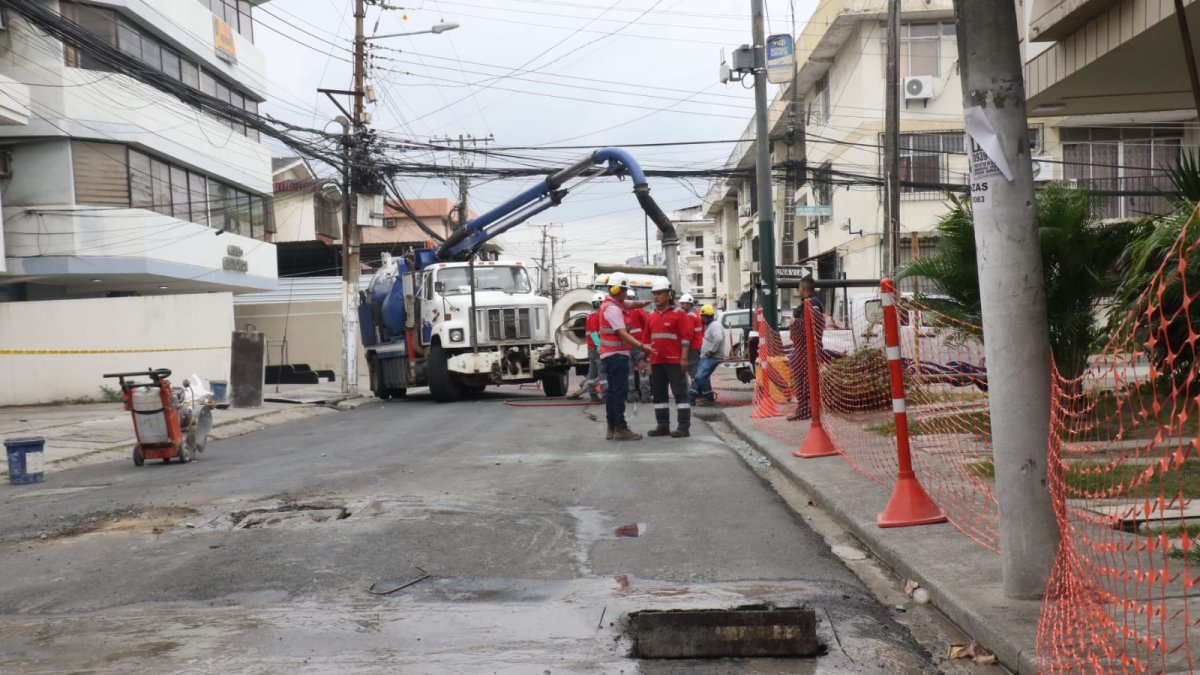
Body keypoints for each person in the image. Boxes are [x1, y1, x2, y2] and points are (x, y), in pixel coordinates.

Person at [598, 273, 655, 441]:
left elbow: (631, 304)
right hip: (616, 356)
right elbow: (622, 333)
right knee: (619, 392)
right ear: (619, 290)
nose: (626, 294)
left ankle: (612, 427)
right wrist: (642, 345)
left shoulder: (612, 303)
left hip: (611, 355)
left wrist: (642, 303)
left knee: (613, 392)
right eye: (625, 290)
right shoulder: (613, 310)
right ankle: (620, 428)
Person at [643, 280, 691, 438]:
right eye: (654, 294)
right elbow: (646, 342)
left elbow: (685, 338)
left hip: (675, 361)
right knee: (659, 395)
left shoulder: (679, 314)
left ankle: (683, 427)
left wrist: (684, 358)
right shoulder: (651, 316)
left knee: (680, 394)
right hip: (657, 363)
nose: (656, 297)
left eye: (659, 293)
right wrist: (648, 361)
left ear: (669, 295)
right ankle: (662, 426)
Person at [788, 277, 825, 421]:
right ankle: (809, 409)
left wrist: (794, 323)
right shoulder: (817, 303)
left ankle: (804, 411)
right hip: (811, 349)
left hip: (806, 351)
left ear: (802, 288)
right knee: (808, 381)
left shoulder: (809, 304)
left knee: (804, 381)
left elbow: (810, 325)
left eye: (799, 287)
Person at [567, 292, 606, 401]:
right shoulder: (595, 316)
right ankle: (606, 395)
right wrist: (599, 345)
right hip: (595, 349)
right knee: (602, 373)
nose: (604, 305)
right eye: (602, 303)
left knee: (592, 373)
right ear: (598, 304)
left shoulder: (591, 316)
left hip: (591, 349)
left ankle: (593, 395)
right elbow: (594, 333)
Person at [688, 304, 724, 406]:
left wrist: (711, 351)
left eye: (702, 316)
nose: (701, 318)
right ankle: (691, 397)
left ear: (706, 316)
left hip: (712, 357)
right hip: (706, 357)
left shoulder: (714, 326)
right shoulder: (710, 326)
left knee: (700, 377)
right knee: (698, 377)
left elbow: (719, 338)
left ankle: (709, 398)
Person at [624, 290, 652, 403]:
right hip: (639, 345)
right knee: (643, 372)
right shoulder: (639, 311)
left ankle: (631, 396)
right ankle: (645, 396)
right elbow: (648, 325)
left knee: (629, 373)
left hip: (626, 346)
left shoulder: (622, 312)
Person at [678, 293, 703, 382]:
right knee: (696, 368)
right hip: (697, 345)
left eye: (683, 303)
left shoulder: (689, 316)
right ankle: (698, 390)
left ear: (689, 304)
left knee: (693, 369)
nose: (681, 306)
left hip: (692, 347)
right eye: (681, 304)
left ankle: (695, 390)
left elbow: (688, 335)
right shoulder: (696, 312)